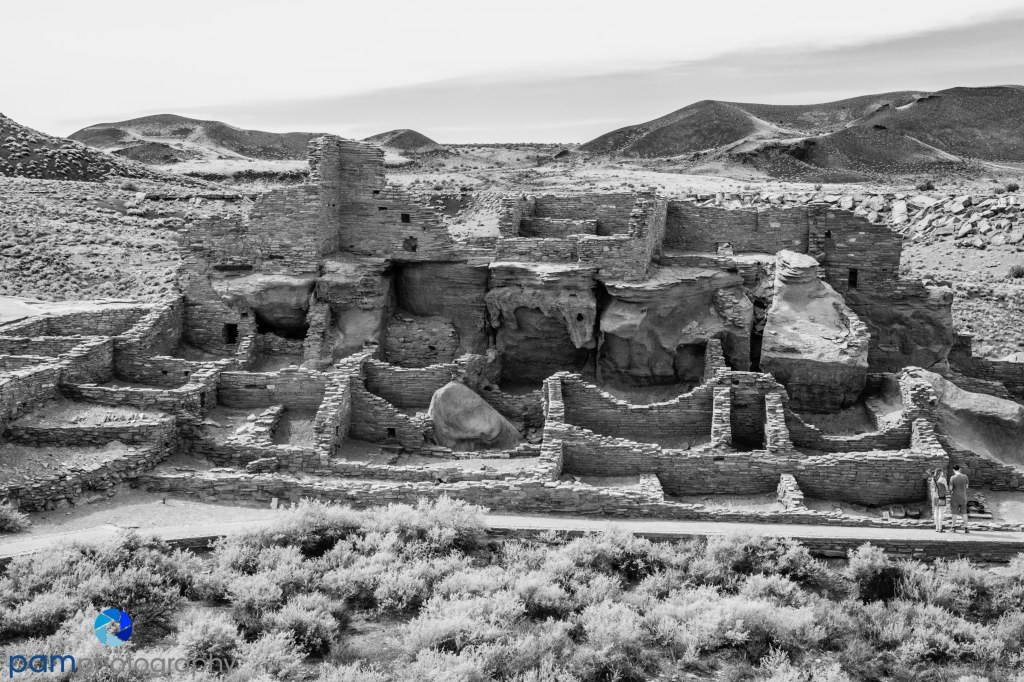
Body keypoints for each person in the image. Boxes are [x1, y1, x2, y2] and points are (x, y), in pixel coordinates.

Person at [949, 465, 970, 533]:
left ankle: (953, 527)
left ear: (953, 470)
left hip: (955, 497)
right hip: (963, 497)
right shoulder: (965, 476)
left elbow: (951, 488)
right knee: (964, 513)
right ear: (959, 469)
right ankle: (966, 528)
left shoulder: (952, 478)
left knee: (954, 513)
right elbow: (966, 486)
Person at [933, 468, 949, 533]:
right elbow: (947, 489)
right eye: (942, 472)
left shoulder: (933, 479)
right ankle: (940, 528)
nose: (943, 473)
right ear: (940, 472)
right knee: (940, 513)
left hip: (935, 497)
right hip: (941, 497)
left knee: (936, 512)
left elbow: (933, 488)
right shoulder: (943, 479)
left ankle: (936, 528)